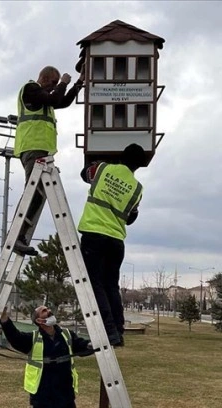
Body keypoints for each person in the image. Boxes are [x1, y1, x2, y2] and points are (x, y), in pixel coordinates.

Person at [77, 144, 147, 347]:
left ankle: (108, 331)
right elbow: (132, 217)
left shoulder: (102, 168)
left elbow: (84, 174)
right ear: (138, 166)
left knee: (95, 284)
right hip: (116, 241)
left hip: (94, 234)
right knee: (111, 286)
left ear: (121, 156)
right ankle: (117, 330)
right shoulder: (138, 188)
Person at [12, 65, 85, 256]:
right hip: (32, 148)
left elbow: (61, 101)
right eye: (52, 83)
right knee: (32, 192)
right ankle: (15, 237)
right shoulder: (31, 89)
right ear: (44, 78)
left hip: (41, 151)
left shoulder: (44, 98)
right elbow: (55, 98)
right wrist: (63, 83)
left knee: (37, 194)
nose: (54, 88)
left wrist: (79, 84)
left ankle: (20, 236)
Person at [0, 304, 92, 408]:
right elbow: (15, 337)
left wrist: (90, 345)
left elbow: (80, 345)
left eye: (48, 308)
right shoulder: (33, 338)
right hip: (43, 396)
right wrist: (4, 318)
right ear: (39, 321)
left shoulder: (66, 334)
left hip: (65, 394)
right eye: (44, 310)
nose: (49, 310)